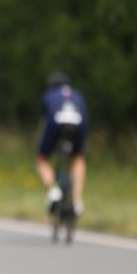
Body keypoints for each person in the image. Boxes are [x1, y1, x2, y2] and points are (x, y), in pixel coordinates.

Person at [36, 72, 88, 216]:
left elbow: (44, 121)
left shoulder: (48, 95)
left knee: (42, 159)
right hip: (79, 122)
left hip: (55, 122)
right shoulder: (77, 94)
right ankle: (77, 202)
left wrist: (42, 144)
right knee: (78, 157)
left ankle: (53, 191)